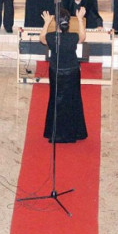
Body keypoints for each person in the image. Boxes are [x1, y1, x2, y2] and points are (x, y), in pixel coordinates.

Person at [41, 8, 87, 143]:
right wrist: (80, 19)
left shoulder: (51, 37)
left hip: (56, 72)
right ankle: (74, 131)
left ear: (56, 23)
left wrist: (46, 22)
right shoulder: (73, 37)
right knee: (73, 100)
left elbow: (42, 38)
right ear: (68, 23)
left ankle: (56, 132)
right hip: (72, 72)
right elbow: (83, 37)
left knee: (55, 100)